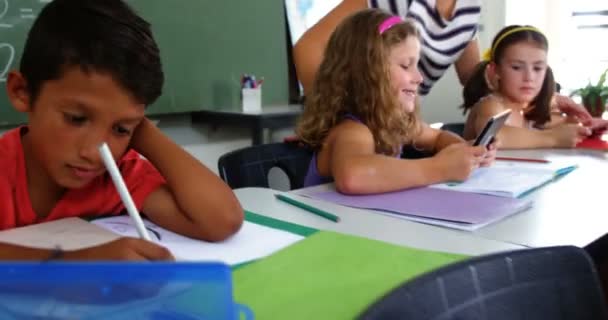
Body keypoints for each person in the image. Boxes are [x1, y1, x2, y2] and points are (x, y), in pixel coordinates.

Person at [0, 0, 243, 260]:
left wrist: (141, 131)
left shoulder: (116, 175)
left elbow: (222, 220)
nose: (95, 153)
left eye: (120, 128)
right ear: (21, 92)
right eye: (76, 118)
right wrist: (74, 265)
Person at [296, 9, 495, 194]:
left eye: (416, 65)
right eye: (406, 65)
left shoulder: (394, 125)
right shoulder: (351, 129)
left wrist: (466, 153)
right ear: (366, 74)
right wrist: (440, 168)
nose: (419, 78)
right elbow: (352, 176)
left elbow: (437, 137)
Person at [293, 0, 593, 121]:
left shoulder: (469, 6)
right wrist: (348, 114)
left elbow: (476, 79)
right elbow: (308, 48)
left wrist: (548, 99)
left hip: (401, 127)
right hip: (364, 122)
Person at [461, 25, 608, 149]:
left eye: (537, 68)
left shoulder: (527, 109)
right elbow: (495, 136)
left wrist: (588, 127)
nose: (529, 77)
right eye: (517, 67)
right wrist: (553, 138)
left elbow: (564, 124)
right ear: (496, 70)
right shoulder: (491, 105)